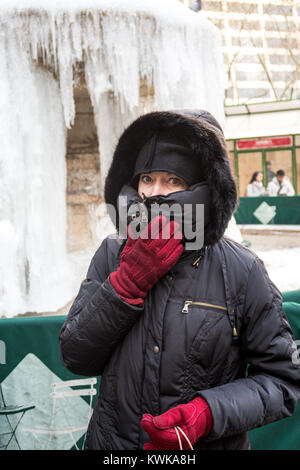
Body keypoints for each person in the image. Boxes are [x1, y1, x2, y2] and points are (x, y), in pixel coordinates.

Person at [59, 110, 300, 451]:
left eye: (173, 180)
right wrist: (124, 286)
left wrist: (208, 413)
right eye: (146, 178)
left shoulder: (242, 270)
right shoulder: (112, 255)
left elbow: (283, 379)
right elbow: (75, 356)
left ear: (205, 188)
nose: (155, 193)